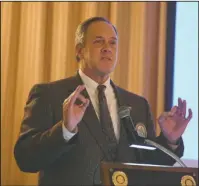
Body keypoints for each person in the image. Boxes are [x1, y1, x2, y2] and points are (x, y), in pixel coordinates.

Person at [14, 17, 192, 186]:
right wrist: (65, 130)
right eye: (99, 41)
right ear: (79, 50)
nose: (107, 48)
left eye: (113, 42)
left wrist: (169, 141)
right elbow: (26, 159)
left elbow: (149, 166)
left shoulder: (138, 104)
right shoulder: (49, 95)